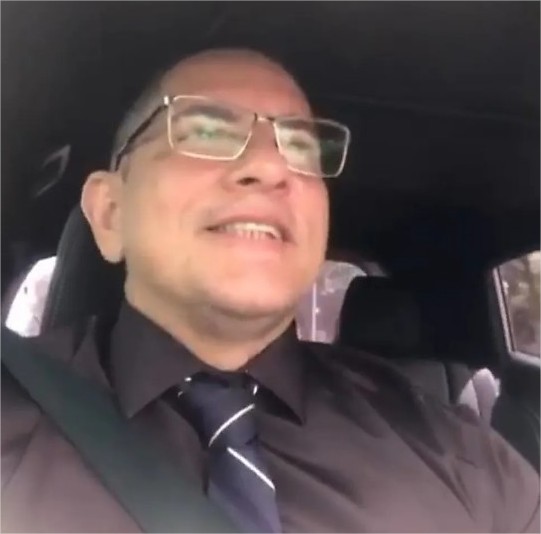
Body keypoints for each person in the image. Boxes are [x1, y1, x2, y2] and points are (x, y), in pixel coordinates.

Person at [2, 48, 539, 533]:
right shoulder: (15, 424)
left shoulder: (460, 457)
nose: (269, 166)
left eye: (301, 147)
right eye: (206, 132)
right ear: (110, 212)